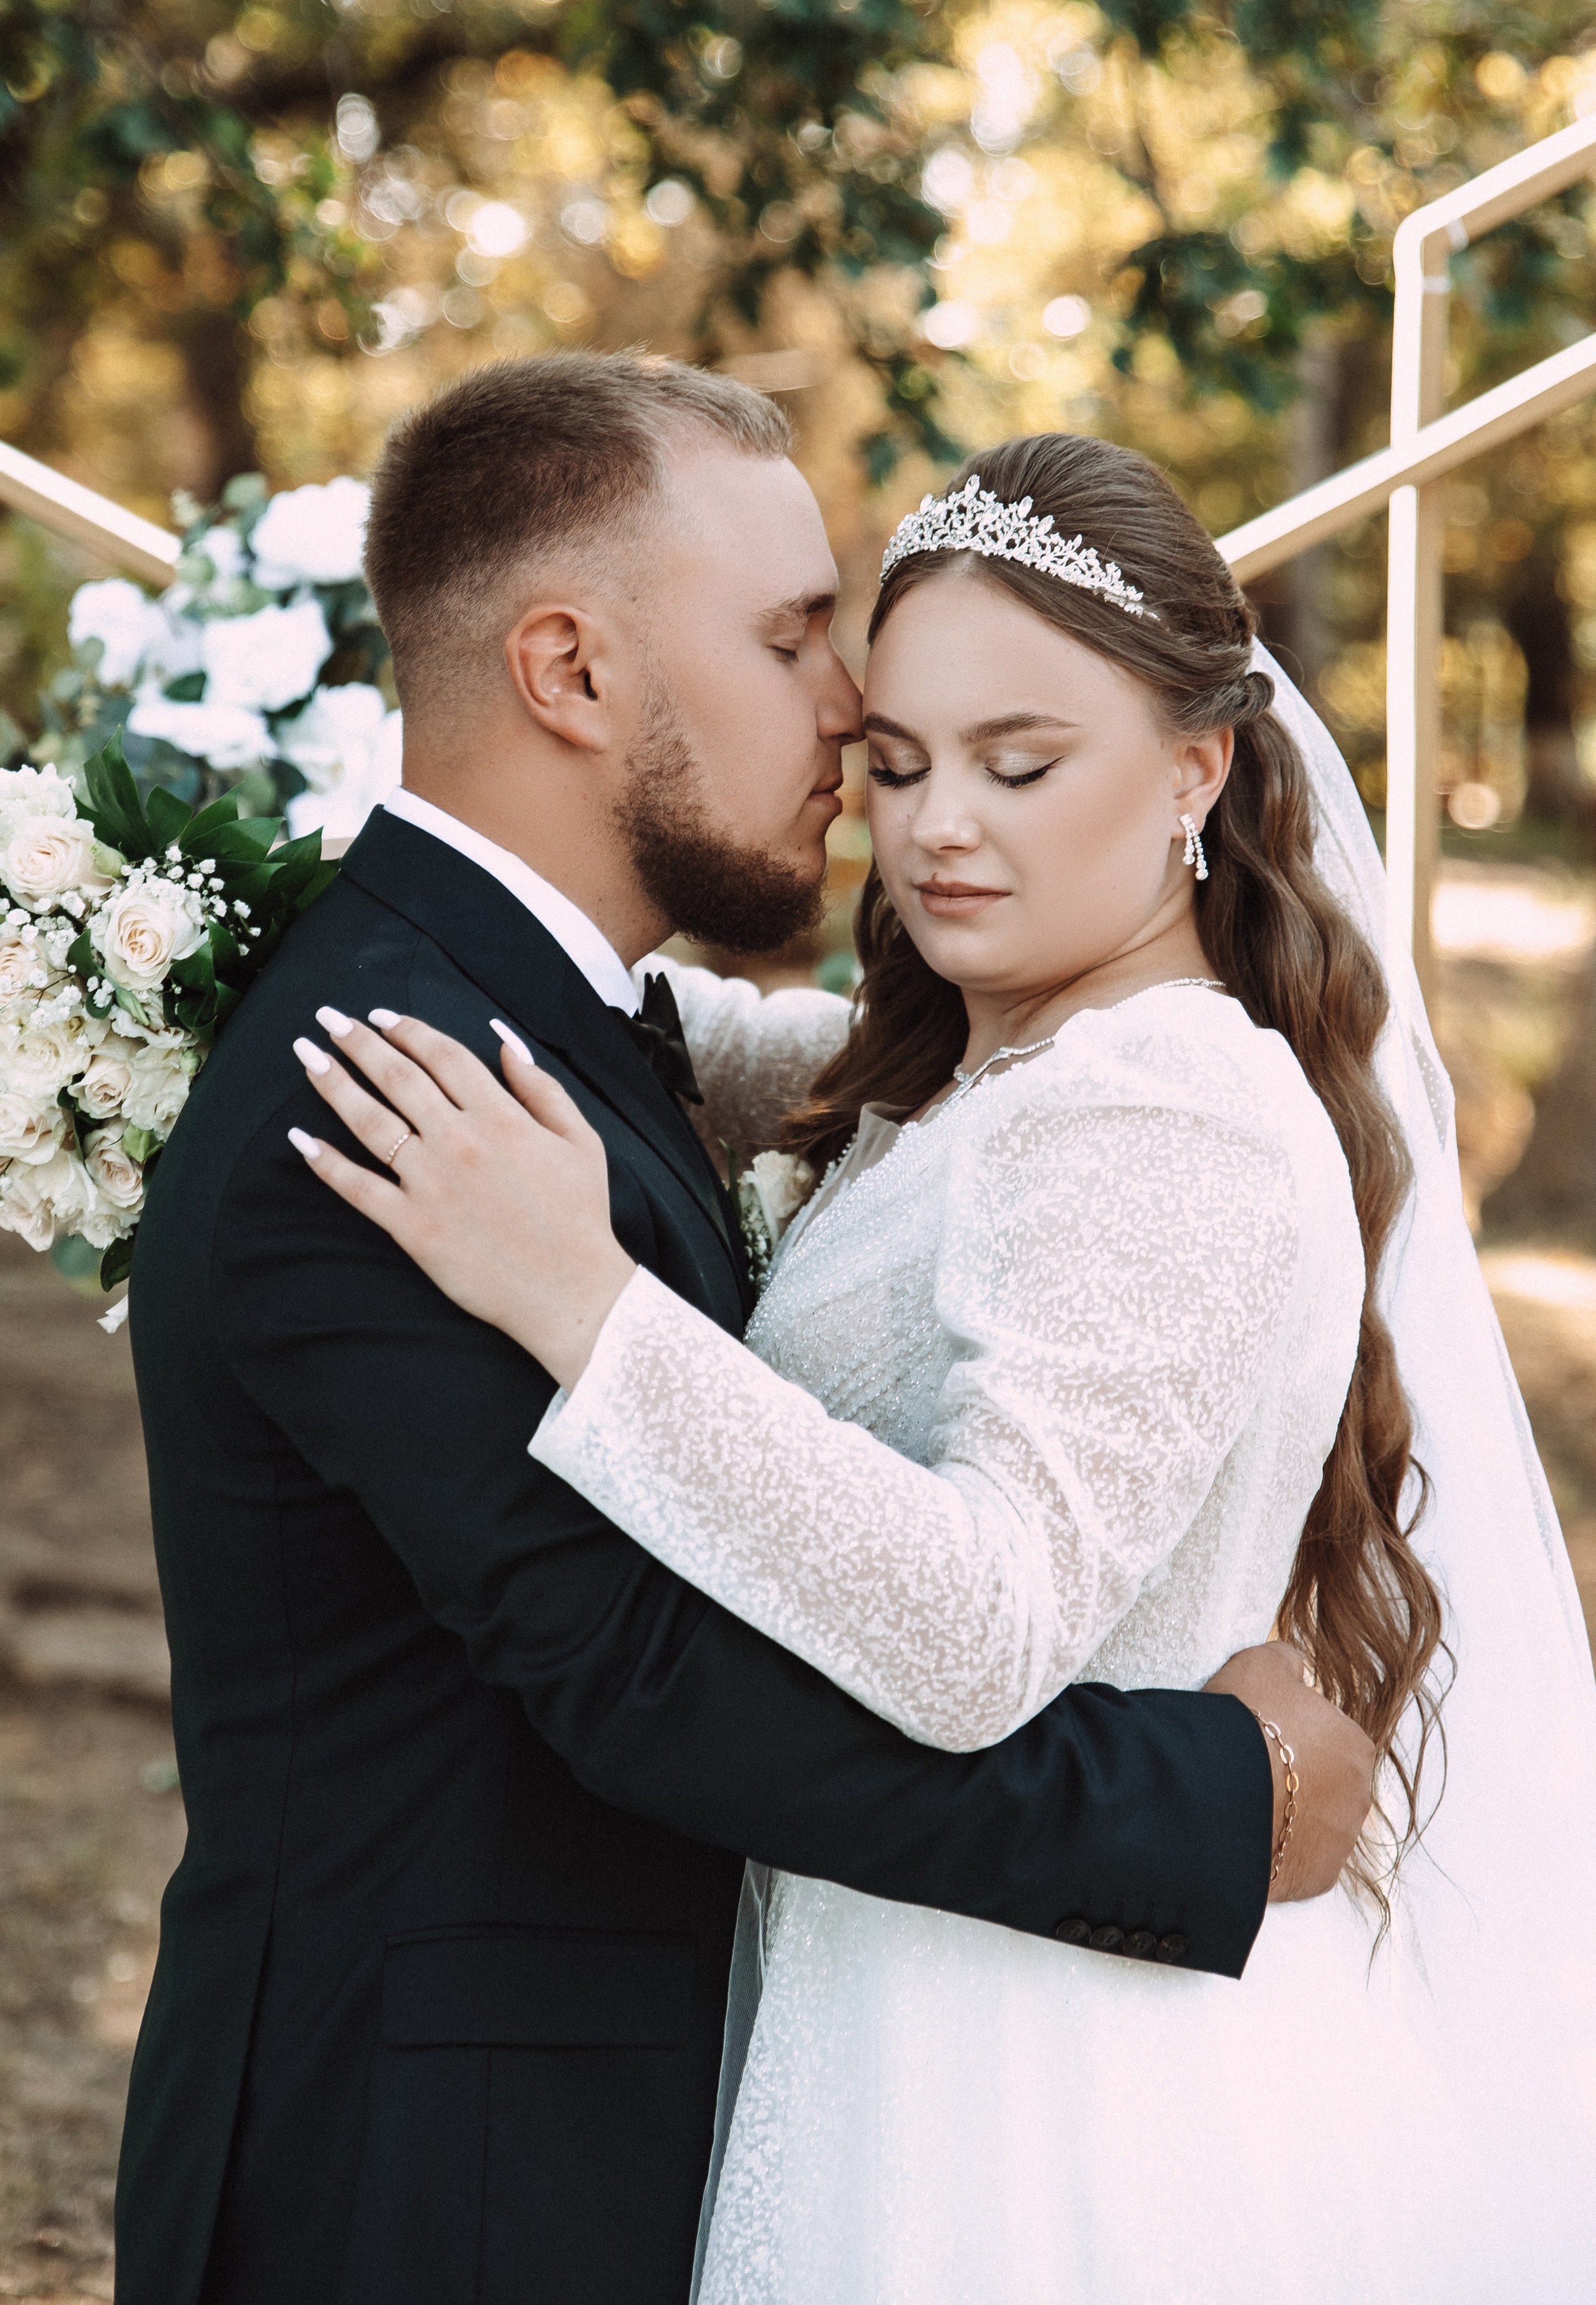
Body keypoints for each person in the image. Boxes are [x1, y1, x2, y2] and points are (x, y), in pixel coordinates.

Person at [115, 362, 1373, 2305]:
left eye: (1011, 759)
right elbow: (637, 1677)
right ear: (571, 672)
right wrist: (1205, 1806)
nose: (859, 728)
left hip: (920, 2092)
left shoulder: (558, 1044)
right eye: (802, 646)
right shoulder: (406, 1097)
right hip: (424, 2179)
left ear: (1198, 766)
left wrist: (594, 1293)